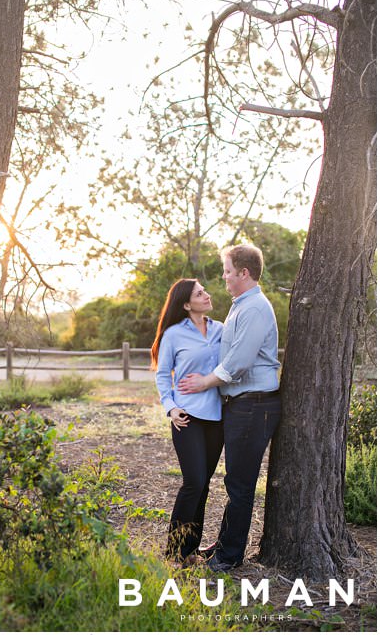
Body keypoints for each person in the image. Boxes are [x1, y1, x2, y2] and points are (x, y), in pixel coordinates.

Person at [177, 244, 282, 572]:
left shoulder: (255, 309)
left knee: (240, 483)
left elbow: (238, 362)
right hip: (242, 404)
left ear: (243, 273)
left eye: (226, 270)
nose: (223, 276)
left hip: (254, 404)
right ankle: (224, 545)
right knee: (234, 479)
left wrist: (204, 382)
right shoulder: (242, 306)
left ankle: (229, 555)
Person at [151, 279, 224, 566]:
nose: (206, 295)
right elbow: (162, 374)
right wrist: (170, 408)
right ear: (186, 304)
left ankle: (190, 551)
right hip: (187, 418)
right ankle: (173, 552)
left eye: (205, 290)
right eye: (199, 293)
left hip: (217, 418)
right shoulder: (173, 334)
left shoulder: (221, 330)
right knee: (193, 482)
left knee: (204, 485)